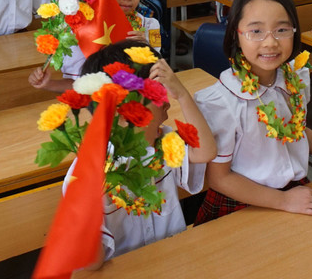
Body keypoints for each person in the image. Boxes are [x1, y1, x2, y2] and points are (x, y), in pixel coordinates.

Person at [193, 0, 312, 224]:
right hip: (241, 203)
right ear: (236, 35)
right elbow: (219, 179)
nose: (270, 42)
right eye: (256, 31)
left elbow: (299, 133)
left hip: (293, 191)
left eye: (281, 30)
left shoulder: (293, 79)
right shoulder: (223, 102)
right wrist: (284, 201)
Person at [66, 41, 216, 268]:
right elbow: (91, 264)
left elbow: (206, 151)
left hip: (175, 262)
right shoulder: (87, 173)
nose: (167, 102)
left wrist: (183, 95)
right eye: (157, 95)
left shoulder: (165, 142)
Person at [29, 0, 161, 92]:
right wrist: (48, 84)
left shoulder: (148, 25)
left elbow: (157, 74)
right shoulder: (83, 30)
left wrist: (147, 49)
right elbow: (79, 83)